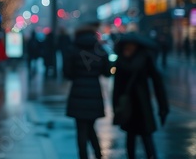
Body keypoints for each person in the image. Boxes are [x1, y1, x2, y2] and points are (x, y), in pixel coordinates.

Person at [113, 33, 169, 159]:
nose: (128, 48)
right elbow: (117, 86)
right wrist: (116, 107)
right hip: (128, 104)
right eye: (126, 46)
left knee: (146, 136)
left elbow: (157, 83)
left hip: (142, 104)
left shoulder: (145, 59)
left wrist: (163, 108)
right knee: (131, 137)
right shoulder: (121, 60)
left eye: (131, 46)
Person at [64, 24, 111, 159]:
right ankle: (98, 154)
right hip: (94, 91)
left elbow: (67, 73)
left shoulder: (72, 49)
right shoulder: (99, 49)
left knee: (81, 129)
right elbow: (107, 72)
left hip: (77, 92)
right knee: (90, 126)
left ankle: (84, 156)